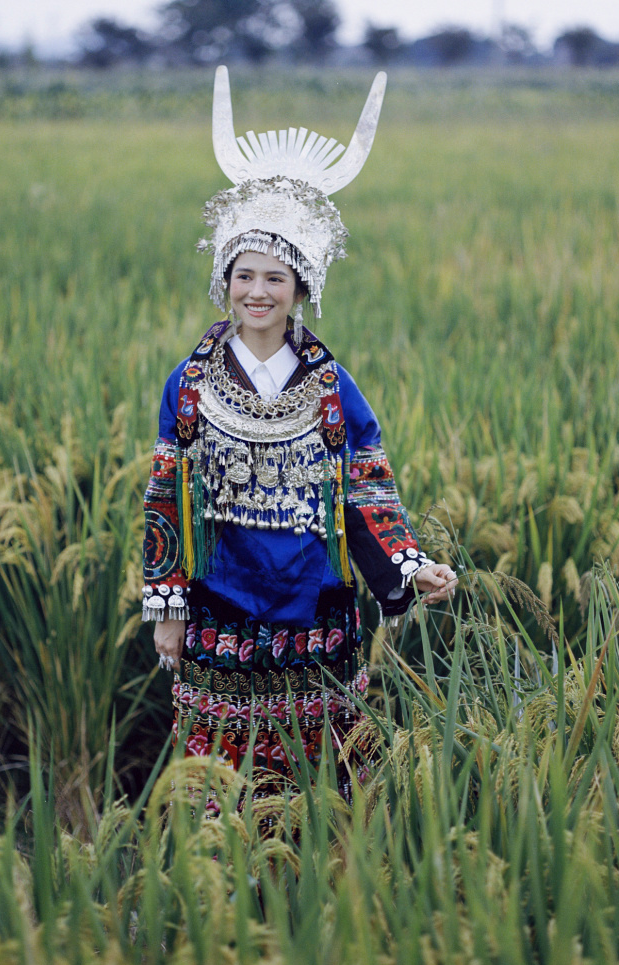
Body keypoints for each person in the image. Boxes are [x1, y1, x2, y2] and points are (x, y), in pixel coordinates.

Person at [142, 68, 456, 799]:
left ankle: (313, 883)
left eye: (275, 278)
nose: (257, 291)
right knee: (218, 782)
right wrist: (167, 609)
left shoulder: (330, 387)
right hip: (220, 607)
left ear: (302, 287)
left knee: (319, 782)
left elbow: (367, 487)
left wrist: (410, 568)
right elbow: (165, 499)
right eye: (244, 275)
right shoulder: (189, 384)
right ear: (225, 280)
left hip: (316, 607)